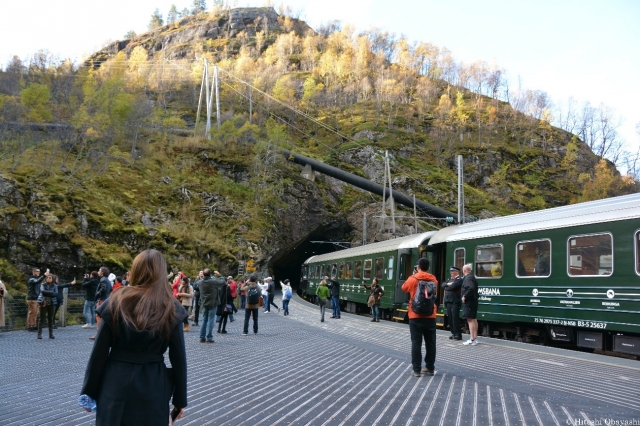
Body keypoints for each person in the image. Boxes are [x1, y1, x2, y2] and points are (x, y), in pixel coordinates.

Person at [81, 249, 187, 425]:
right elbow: (179, 360)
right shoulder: (171, 307)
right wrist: (179, 401)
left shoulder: (116, 301)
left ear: (135, 270)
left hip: (115, 381)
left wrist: (88, 392)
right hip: (153, 382)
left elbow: (99, 353)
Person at [401, 258, 438, 377]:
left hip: (415, 315)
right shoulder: (434, 279)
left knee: (416, 342)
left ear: (418, 267)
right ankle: (430, 368)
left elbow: (404, 288)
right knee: (430, 343)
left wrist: (414, 275)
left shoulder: (413, 279)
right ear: (429, 267)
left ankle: (416, 370)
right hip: (430, 315)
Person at [198, 269, 223, 343]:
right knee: (211, 320)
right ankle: (209, 337)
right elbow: (223, 282)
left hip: (204, 303)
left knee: (204, 319)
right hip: (213, 303)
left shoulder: (200, 282)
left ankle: (202, 337)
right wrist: (219, 275)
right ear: (210, 275)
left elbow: (196, 283)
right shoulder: (213, 282)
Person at [90, 267, 112, 341]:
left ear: (102, 272)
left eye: (99, 270)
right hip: (105, 299)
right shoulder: (107, 280)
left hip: (101, 300)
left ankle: (98, 334)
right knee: (103, 317)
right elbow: (110, 289)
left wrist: (97, 295)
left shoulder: (102, 279)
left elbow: (103, 288)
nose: (98, 272)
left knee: (99, 316)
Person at [442, 266, 463, 340]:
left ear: (456, 272)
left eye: (452, 271)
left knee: (455, 318)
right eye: (451, 272)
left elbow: (453, 287)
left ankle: (458, 334)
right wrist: (447, 285)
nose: (451, 273)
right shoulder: (449, 279)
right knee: (450, 318)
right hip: (448, 301)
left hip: (455, 302)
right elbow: (442, 285)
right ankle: (453, 333)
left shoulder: (459, 279)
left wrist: (447, 286)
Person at [461, 263, 480, 346]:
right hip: (473, 301)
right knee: (474, 319)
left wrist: (465, 295)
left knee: (470, 319)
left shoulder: (468, 278)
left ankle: (472, 339)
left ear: (464, 270)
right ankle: (475, 338)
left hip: (469, 301)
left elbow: (471, 287)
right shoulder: (472, 277)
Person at [37, 272, 58, 339]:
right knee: (41, 318)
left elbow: (55, 294)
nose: (48, 279)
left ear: (52, 279)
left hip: (51, 303)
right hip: (44, 302)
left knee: (50, 319)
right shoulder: (43, 284)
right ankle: (39, 334)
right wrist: (51, 292)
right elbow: (42, 291)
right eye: (47, 278)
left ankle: (51, 334)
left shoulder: (55, 286)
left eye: (50, 278)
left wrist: (48, 293)